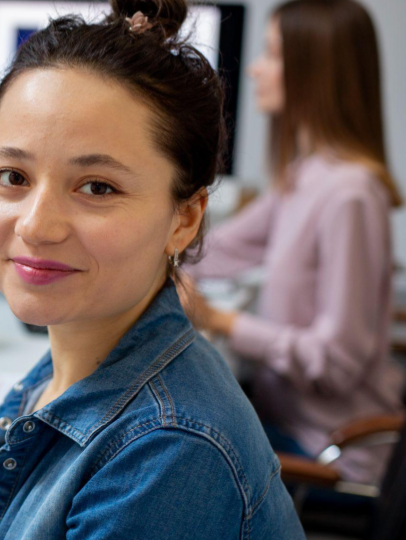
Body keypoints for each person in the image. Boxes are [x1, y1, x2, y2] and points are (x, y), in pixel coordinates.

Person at [0, 1, 304, 538]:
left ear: (184, 218)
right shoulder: (75, 361)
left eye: (97, 187)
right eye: (12, 175)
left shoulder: (166, 453)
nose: (36, 226)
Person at [179, 0, 404, 486]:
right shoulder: (305, 177)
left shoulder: (350, 195)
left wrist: (221, 320)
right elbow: (215, 247)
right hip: (289, 422)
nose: (256, 69)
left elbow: (336, 362)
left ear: (315, 73)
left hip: (330, 450)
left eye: (273, 55)